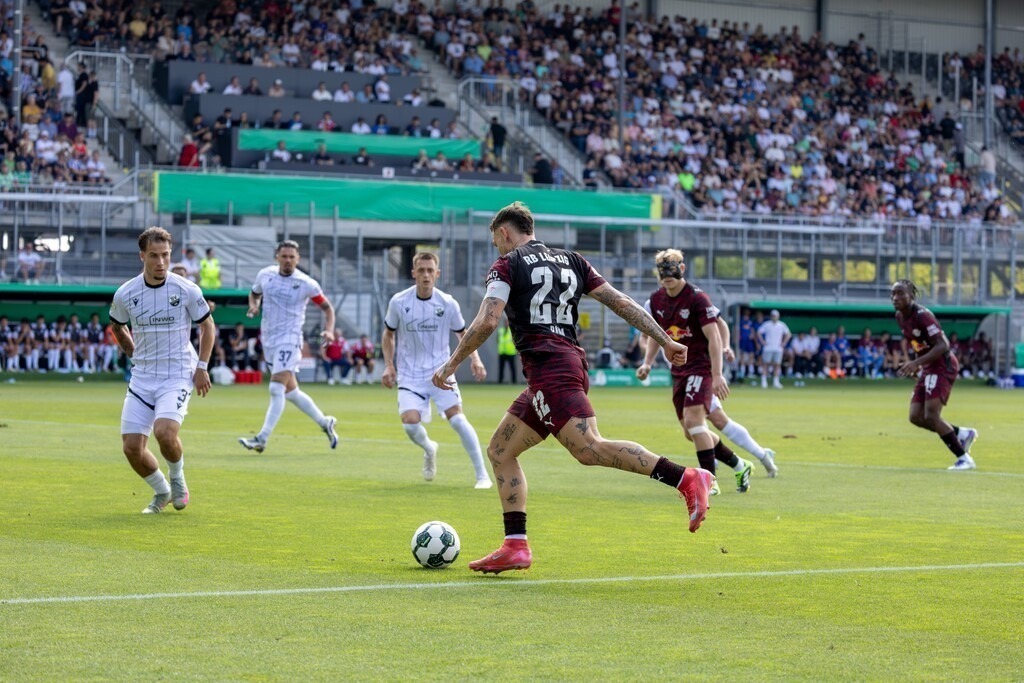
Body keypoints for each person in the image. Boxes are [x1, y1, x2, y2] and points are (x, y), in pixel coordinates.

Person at [431, 202, 714, 574]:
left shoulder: (507, 264)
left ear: (504, 233)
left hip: (551, 369)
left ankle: (686, 477)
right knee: (501, 450)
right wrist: (663, 339)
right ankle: (515, 545)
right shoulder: (573, 260)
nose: (497, 249)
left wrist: (451, 364)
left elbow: (488, 319)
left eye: (496, 242)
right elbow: (620, 302)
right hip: (562, 368)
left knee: (589, 447)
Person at [109, 227, 216, 514]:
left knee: (165, 432)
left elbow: (207, 326)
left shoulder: (186, 289)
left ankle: (178, 479)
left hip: (176, 375)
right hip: (142, 378)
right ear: (142, 256)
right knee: (131, 448)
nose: (160, 262)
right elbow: (117, 325)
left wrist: (202, 367)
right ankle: (162, 492)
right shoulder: (126, 293)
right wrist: (133, 353)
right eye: (154, 256)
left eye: (165, 255)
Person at [636, 249, 755, 495]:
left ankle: (708, 482)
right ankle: (740, 465)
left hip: (700, 366)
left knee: (695, 422)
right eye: (662, 271)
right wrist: (647, 363)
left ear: (682, 269)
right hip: (678, 372)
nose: (667, 276)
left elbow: (714, 336)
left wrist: (718, 373)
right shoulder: (656, 300)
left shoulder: (697, 298)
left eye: (671, 270)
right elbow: (657, 337)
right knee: (692, 432)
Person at [382, 252, 492, 488]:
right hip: (410, 375)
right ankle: (429, 448)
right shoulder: (399, 302)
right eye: (421, 270)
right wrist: (389, 365)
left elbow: (464, 334)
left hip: (441, 372)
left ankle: (482, 475)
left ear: (437, 273)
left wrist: (476, 359)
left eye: (430, 270)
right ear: (413, 273)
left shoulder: (448, 303)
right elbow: (388, 334)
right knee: (410, 424)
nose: (425, 275)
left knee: (458, 420)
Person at [238, 241, 339, 453]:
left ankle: (262, 438)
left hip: (290, 339)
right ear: (277, 257)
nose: (288, 261)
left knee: (276, 388)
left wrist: (329, 330)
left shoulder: (306, 283)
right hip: (269, 339)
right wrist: (254, 306)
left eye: (292, 257)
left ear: (298, 259)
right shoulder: (265, 275)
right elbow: (254, 293)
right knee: (291, 393)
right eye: (284, 256)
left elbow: (327, 308)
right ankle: (324, 422)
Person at [891, 279, 978, 470]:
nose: (896, 298)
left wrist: (916, 363)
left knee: (931, 415)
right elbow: (918, 343)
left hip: (942, 365)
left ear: (911, 295)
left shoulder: (923, 316)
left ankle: (964, 458)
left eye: (900, 293)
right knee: (915, 416)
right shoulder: (899, 316)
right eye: (893, 294)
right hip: (928, 367)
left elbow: (943, 345)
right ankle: (962, 433)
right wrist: (919, 366)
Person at [757, 309, 791, 388]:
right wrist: (762, 342)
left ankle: (776, 382)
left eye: (775, 316)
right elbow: (759, 332)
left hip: (778, 348)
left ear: (778, 316)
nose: (774, 317)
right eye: (773, 316)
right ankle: (764, 381)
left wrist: (783, 343)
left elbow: (788, 334)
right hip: (768, 348)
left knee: (777, 365)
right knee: (765, 364)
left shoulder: (782, 325)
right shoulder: (767, 324)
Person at [496, 315, 518, 383]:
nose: (506, 323)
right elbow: (497, 340)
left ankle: (514, 382)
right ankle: (500, 381)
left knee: (512, 368)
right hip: (502, 352)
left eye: (507, 322)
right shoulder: (500, 331)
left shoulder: (512, 331)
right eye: (505, 322)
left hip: (510, 352)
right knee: (501, 368)